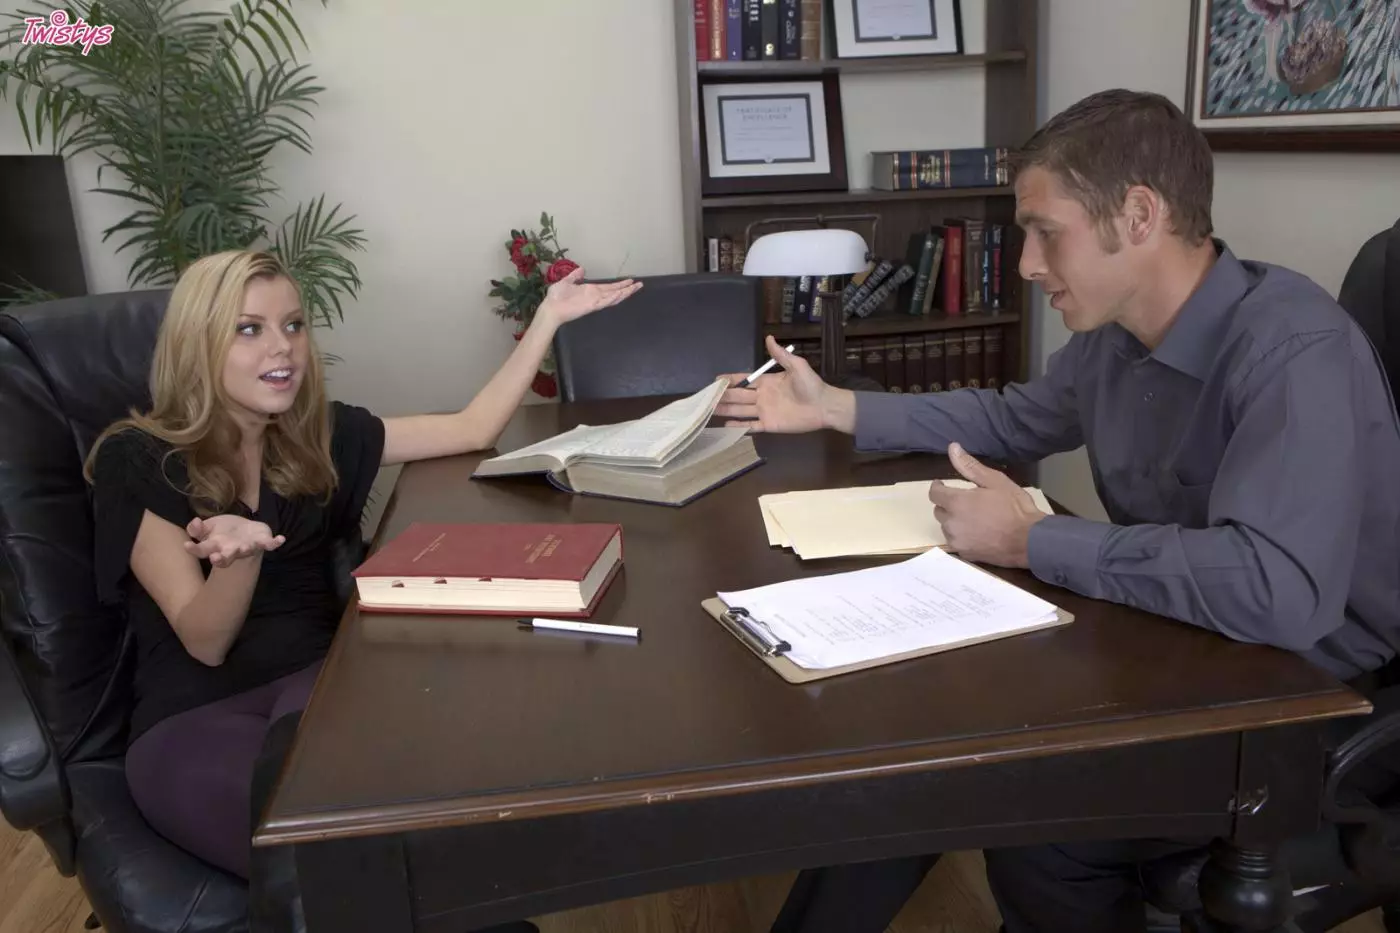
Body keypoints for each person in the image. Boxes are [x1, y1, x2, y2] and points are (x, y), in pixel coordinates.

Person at [714, 88, 1400, 933]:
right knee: (920, 738)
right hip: (1172, 639)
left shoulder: (1295, 351)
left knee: (1039, 827)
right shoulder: (1115, 339)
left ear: (1139, 215)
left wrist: (1038, 540)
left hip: (1301, 693)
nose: (1027, 264)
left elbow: (1277, 590)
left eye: (1045, 231)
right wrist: (834, 406)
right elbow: (1011, 420)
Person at [84, 249, 639, 909]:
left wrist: (548, 319)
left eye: (293, 324)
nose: (283, 346)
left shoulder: (321, 435)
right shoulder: (137, 457)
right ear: (197, 344)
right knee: (321, 878)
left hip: (318, 686)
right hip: (192, 718)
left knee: (386, 855)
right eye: (250, 329)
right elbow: (205, 642)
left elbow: (472, 428)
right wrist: (240, 558)